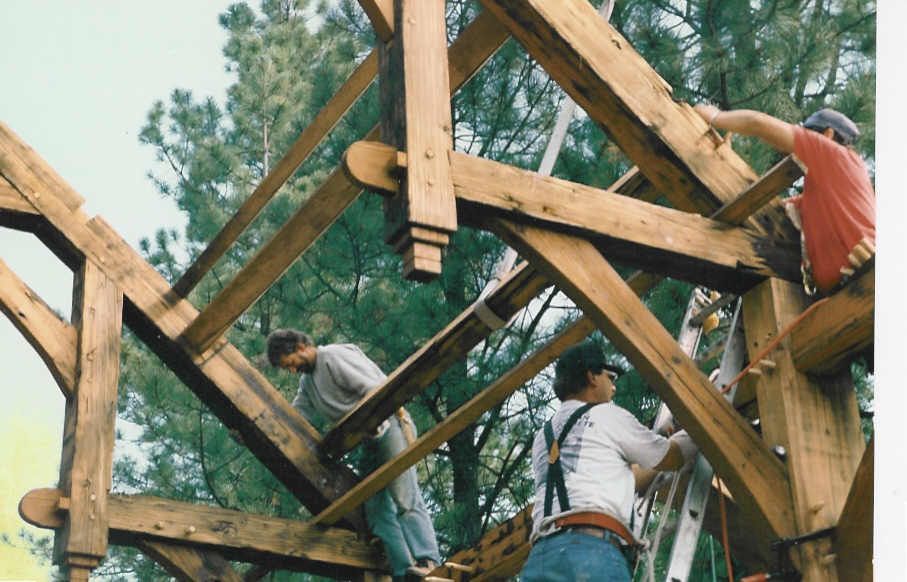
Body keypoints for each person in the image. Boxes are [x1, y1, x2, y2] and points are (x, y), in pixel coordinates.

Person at [266, 329, 441, 579]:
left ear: (301, 347)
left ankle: (429, 560)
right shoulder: (307, 384)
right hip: (368, 442)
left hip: (389, 425)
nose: (292, 371)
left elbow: (376, 389)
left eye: (290, 364)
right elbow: (296, 417)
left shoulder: (333, 356)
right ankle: (405, 572)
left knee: (404, 495)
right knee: (376, 510)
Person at [520, 341, 697, 582]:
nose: (613, 388)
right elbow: (672, 457)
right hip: (593, 553)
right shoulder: (607, 414)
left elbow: (616, 478)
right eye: (609, 377)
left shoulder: (544, 436)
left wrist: (657, 437)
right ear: (592, 376)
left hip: (541, 557)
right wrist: (700, 429)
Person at [693, 104, 875, 295]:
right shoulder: (820, 194)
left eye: (809, 133)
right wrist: (724, 162)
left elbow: (757, 123)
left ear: (828, 135)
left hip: (865, 275)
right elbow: (771, 211)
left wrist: (715, 116)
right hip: (847, 290)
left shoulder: (836, 155)